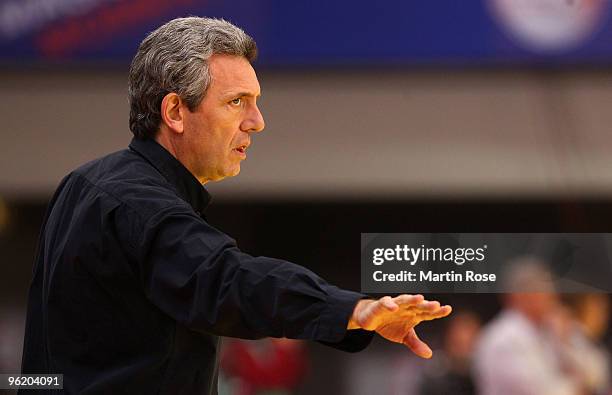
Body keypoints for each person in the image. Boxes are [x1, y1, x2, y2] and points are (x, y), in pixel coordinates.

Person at [19, 17, 451, 395]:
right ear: (175, 111)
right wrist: (351, 310)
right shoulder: (139, 204)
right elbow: (226, 279)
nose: (257, 121)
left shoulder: (84, 184)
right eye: (236, 101)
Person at [474, 257, 585, 395]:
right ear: (522, 295)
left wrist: (565, 343)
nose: (554, 298)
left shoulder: (551, 328)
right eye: (545, 291)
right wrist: (580, 386)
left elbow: (599, 373)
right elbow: (539, 392)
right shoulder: (502, 338)